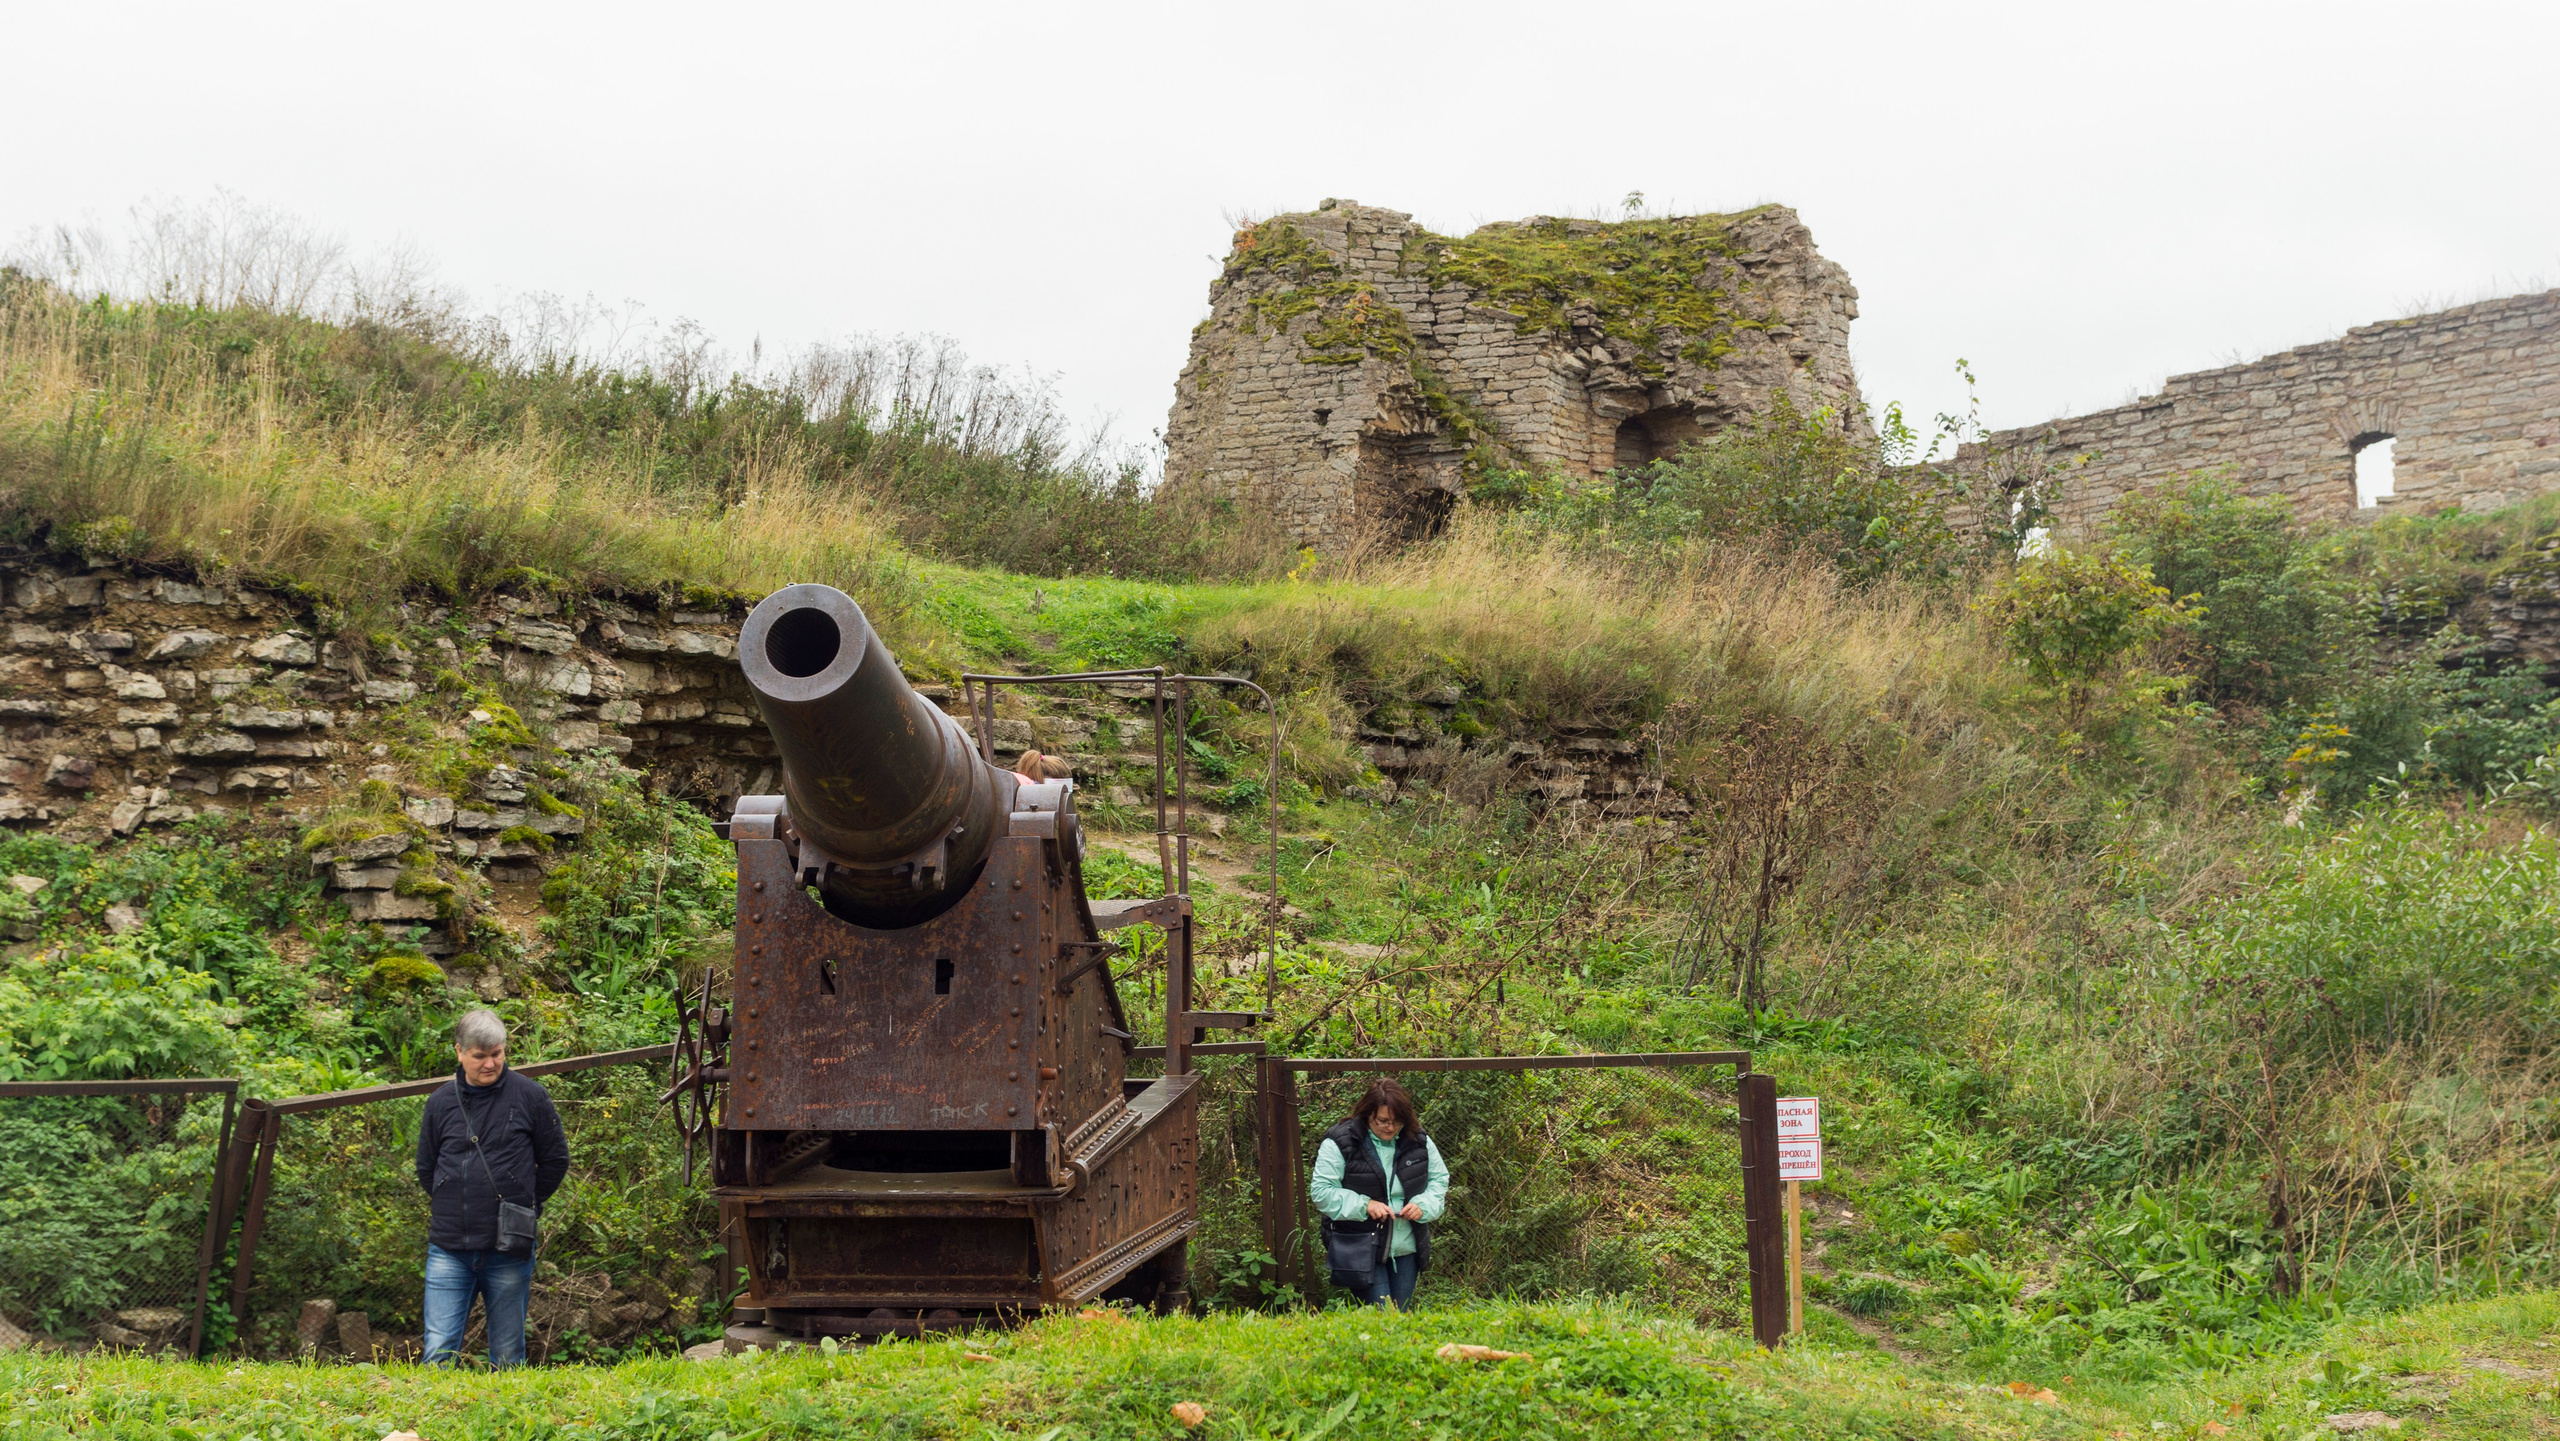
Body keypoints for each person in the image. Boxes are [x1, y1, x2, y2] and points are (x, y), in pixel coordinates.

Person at [415, 1009, 568, 1367]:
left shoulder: (530, 1096)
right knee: (438, 1349)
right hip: (449, 1247)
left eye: (496, 1054)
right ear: (459, 1052)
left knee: (508, 1350)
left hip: (508, 1246)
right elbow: (427, 1166)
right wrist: (452, 1199)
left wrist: (525, 1201)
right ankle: (431, 1417)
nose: (490, 1064)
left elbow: (556, 1160)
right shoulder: (440, 1102)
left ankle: (508, 1419)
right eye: (480, 1056)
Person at [1308, 1079, 1449, 1310]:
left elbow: (1439, 1180)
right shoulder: (1340, 1142)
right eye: (1383, 1121)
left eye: (1397, 1121)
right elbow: (1322, 1192)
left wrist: (1423, 1204)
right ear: (1367, 1113)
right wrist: (1364, 1205)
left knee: (1399, 1315)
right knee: (1383, 1315)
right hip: (1361, 1247)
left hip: (1407, 1247)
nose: (1391, 1128)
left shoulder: (1418, 1139)